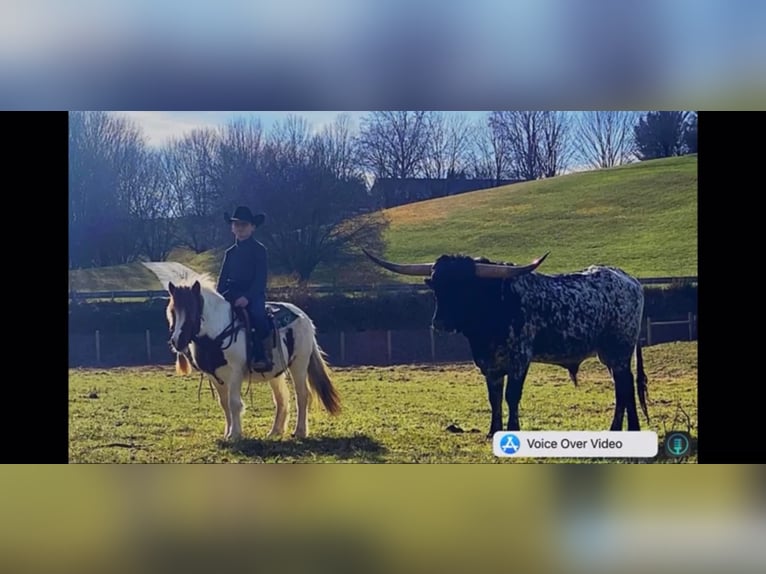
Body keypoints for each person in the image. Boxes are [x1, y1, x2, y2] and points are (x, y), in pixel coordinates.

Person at [216, 206, 273, 372]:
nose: (240, 228)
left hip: (253, 295)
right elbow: (222, 279)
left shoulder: (259, 250)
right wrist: (219, 298)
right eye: (236, 224)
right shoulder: (230, 253)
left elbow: (260, 280)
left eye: (244, 224)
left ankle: (262, 355)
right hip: (231, 294)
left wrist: (247, 298)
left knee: (257, 315)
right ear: (232, 228)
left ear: (252, 227)